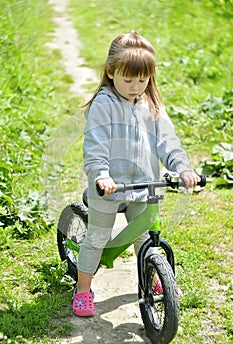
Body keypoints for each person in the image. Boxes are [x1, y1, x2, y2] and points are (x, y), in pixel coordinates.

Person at [72, 30, 200, 317]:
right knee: (97, 238)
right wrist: (101, 174)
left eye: (142, 80)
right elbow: (96, 144)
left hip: (143, 186)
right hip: (109, 186)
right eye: (128, 79)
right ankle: (82, 290)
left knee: (145, 237)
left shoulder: (150, 104)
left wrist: (183, 168)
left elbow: (168, 142)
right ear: (110, 71)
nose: (135, 87)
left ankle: (156, 279)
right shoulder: (104, 105)